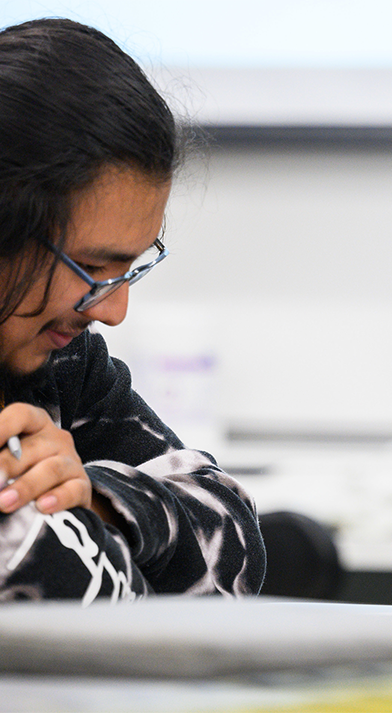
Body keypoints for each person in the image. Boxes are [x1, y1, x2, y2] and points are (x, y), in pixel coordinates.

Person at [0, 18, 265, 602]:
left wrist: (98, 498)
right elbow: (62, 592)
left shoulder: (64, 366)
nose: (114, 309)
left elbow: (233, 542)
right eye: (92, 269)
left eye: (127, 268)